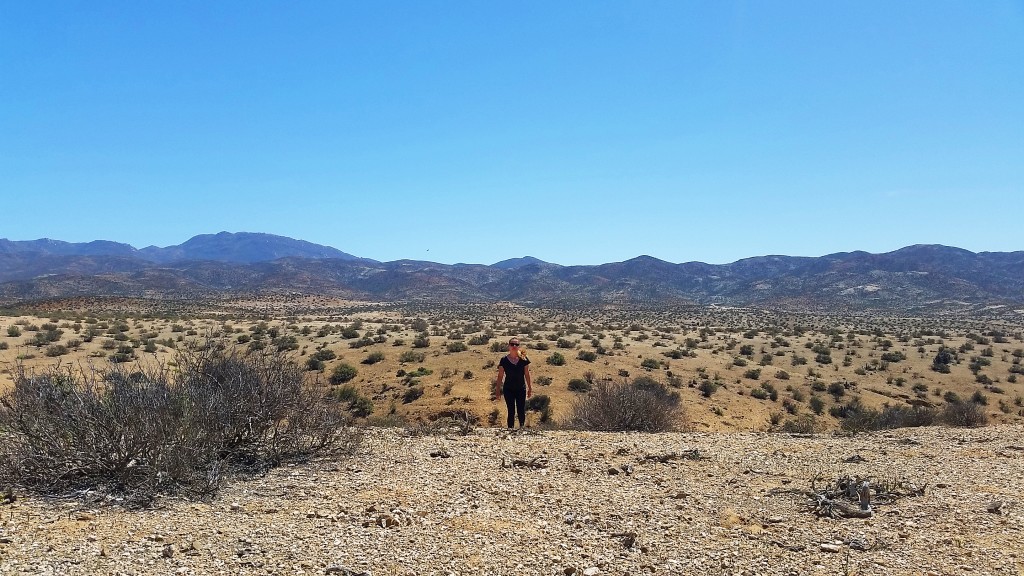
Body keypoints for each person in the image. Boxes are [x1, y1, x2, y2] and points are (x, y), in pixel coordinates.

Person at [494, 337, 532, 429]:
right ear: (509, 346)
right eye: (512, 344)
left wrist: (530, 388)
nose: (514, 346)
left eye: (516, 344)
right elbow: (500, 376)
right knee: (511, 411)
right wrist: (498, 390)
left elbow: (527, 374)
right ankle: (510, 429)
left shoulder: (524, 359)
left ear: (519, 346)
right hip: (508, 389)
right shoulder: (504, 360)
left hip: (521, 388)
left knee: (521, 410)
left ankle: (522, 429)